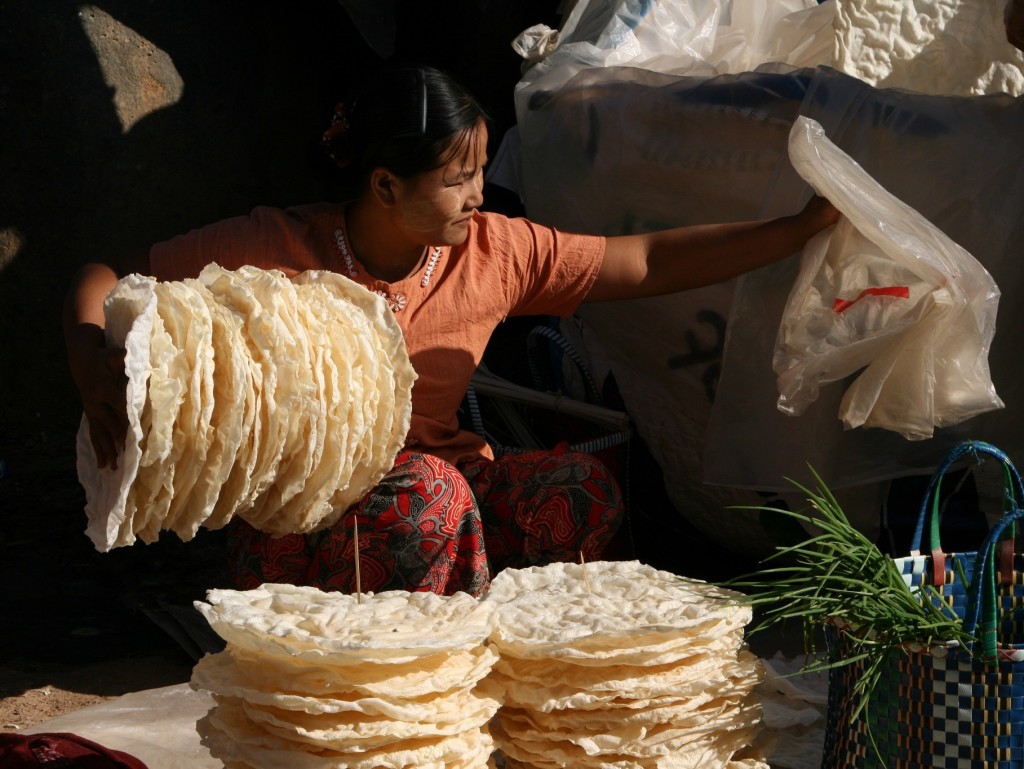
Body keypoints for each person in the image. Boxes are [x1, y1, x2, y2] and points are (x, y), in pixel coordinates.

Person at [64, 64, 839, 598]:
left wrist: (794, 230)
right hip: (309, 525)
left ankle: (518, 648)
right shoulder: (274, 251)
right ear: (386, 185)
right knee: (432, 497)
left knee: (577, 492)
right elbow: (108, 275)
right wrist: (90, 355)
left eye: (478, 171)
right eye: (457, 177)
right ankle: (420, 681)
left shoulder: (493, 251)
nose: (478, 192)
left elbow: (639, 261)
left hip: (443, 500)